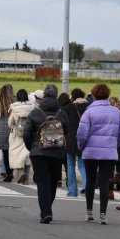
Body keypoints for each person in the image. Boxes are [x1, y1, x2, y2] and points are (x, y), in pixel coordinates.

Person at [77, 83, 120, 225]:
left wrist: (82, 146)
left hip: (90, 151)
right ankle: (103, 214)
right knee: (105, 181)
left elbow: (81, 134)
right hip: (109, 151)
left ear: (93, 95)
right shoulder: (116, 112)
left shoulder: (88, 112)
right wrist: (114, 145)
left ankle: (89, 211)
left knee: (91, 181)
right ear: (108, 95)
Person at [23, 84, 69, 224]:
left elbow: (26, 133)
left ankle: (46, 212)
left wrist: (32, 148)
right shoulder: (62, 113)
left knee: (42, 182)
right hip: (57, 153)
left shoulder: (35, 112)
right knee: (53, 182)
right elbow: (66, 131)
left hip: (39, 152)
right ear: (56, 95)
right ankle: (47, 208)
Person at [8, 89, 34, 184]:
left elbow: (10, 123)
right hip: (29, 134)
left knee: (15, 154)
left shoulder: (14, 109)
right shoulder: (32, 108)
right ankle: (26, 176)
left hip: (16, 135)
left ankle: (20, 172)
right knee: (27, 155)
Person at [0, 84, 15, 182]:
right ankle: (10, 172)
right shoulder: (13, 100)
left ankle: (7, 173)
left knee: (4, 151)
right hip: (10, 127)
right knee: (9, 151)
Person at [67, 88, 89, 196]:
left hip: (71, 138)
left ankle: (72, 191)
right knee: (82, 164)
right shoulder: (89, 107)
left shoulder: (69, 107)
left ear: (73, 96)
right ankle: (85, 185)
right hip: (84, 138)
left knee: (70, 165)